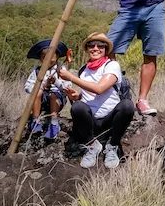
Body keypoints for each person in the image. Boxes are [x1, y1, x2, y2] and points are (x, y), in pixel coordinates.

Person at [58, 33, 135, 169]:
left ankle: (113, 145)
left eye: (100, 45)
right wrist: (77, 97)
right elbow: (88, 94)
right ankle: (92, 145)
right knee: (77, 107)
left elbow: (99, 89)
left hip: (110, 118)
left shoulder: (112, 66)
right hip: (91, 119)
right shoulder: (84, 69)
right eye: (91, 45)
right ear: (87, 49)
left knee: (127, 106)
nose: (95, 48)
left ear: (106, 49)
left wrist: (71, 77)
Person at [24, 40, 71, 139]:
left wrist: (56, 82)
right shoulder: (37, 70)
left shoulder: (61, 70)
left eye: (51, 56)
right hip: (41, 100)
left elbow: (67, 87)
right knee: (38, 92)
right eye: (44, 57)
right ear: (40, 58)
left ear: (57, 56)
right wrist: (42, 86)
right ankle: (35, 121)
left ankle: (54, 123)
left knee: (53, 94)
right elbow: (28, 87)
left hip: (57, 99)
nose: (48, 60)